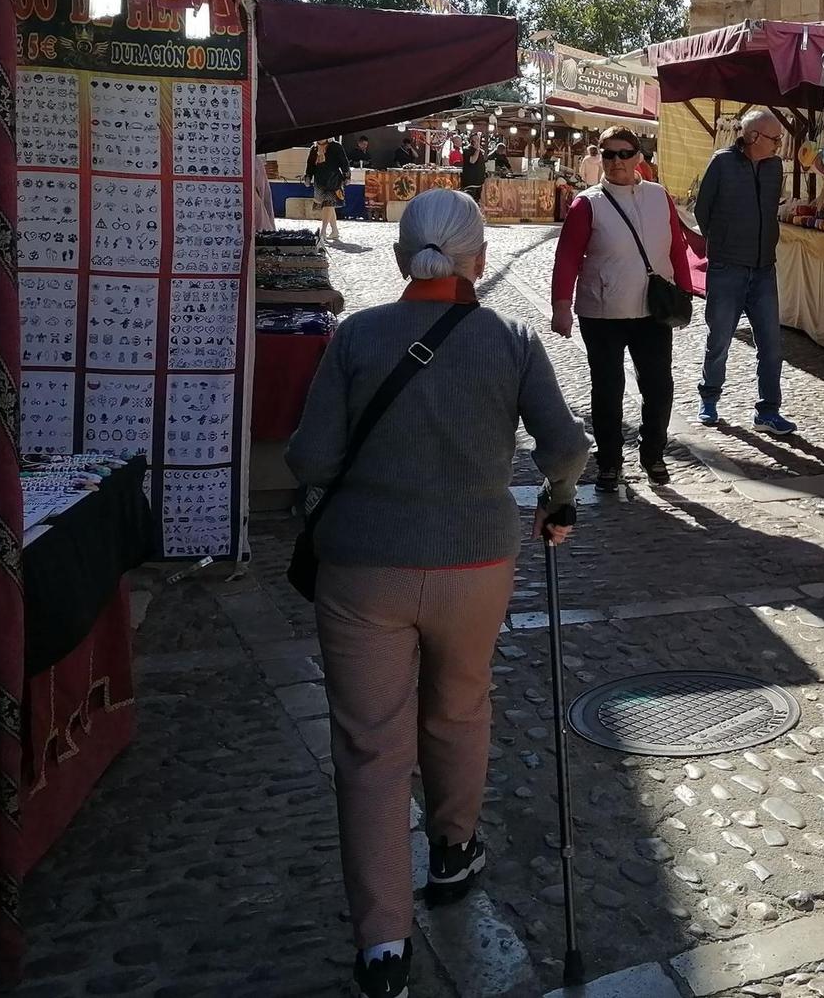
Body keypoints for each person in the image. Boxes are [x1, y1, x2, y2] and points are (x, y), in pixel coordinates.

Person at [287, 190, 588, 998]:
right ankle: (455, 850)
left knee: (370, 748)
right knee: (459, 708)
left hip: (363, 571)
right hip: (474, 568)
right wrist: (557, 500)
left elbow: (311, 461)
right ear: (479, 260)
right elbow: (567, 447)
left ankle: (383, 944)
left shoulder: (357, 336)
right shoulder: (513, 340)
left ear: (398, 256)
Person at [550, 126, 694, 485]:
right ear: (600, 157)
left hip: (653, 311)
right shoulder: (588, 203)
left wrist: (685, 292)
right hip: (603, 313)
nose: (616, 162)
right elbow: (567, 257)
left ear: (638, 158)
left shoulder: (659, 197)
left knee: (659, 386)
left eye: (624, 153)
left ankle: (654, 453)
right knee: (607, 389)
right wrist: (561, 305)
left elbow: (676, 246)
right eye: (608, 154)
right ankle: (610, 461)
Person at [693, 107, 790, 433]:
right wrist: (722, 245)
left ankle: (768, 411)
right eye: (774, 138)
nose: (779, 144)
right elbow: (702, 210)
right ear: (752, 137)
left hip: (764, 268)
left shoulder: (775, 167)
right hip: (727, 266)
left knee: (772, 346)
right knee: (719, 338)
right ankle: (709, 398)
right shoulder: (722, 163)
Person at [307, 137, 349, 243]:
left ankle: (323, 231)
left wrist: (347, 176)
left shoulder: (336, 147)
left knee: (328, 204)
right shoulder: (314, 149)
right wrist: (308, 176)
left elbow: (344, 162)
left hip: (333, 180)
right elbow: (310, 165)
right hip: (319, 180)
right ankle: (334, 231)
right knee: (328, 206)